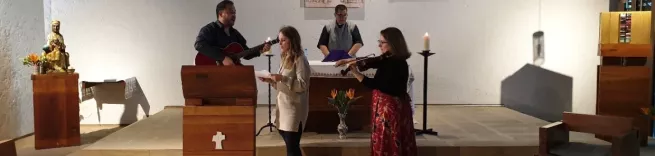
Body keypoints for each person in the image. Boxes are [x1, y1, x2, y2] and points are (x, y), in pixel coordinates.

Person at [335, 27, 417, 156]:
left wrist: (356, 73)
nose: (379, 45)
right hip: (393, 109)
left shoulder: (393, 63)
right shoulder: (390, 59)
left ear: (393, 43)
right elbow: (373, 61)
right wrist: (348, 60)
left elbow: (375, 84)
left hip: (389, 112)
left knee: (387, 142)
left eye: (382, 42)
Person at [258, 26, 310, 156]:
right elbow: (284, 85)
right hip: (284, 108)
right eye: (279, 40)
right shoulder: (285, 57)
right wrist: (271, 81)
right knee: (291, 148)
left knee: (292, 150)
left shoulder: (300, 59)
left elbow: (303, 85)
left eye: (283, 40)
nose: (280, 43)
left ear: (292, 40)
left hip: (294, 110)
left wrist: (283, 78)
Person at [194, 0, 271, 66]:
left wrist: (261, 50)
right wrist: (222, 58)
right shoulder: (210, 29)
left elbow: (246, 54)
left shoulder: (235, 34)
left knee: (248, 74)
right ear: (220, 14)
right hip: (211, 71)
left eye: (235, 13)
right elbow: (199, 45)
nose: (234, 15)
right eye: (231, 12)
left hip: (229, 74)